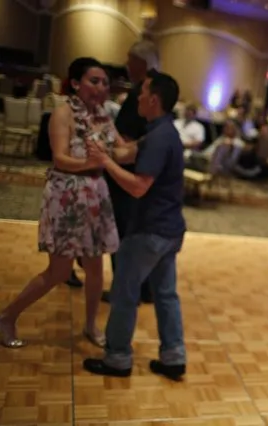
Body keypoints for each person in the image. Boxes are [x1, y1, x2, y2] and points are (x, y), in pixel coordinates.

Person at [0, 57, 130, 348]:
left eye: (105, 83)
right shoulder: (63, 113)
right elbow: (60, 158)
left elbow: (121, 151)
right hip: (68, 196)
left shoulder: (104, 117)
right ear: (75, 83)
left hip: (96, 197)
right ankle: (7, 316)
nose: (101, 88)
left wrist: (147, 145)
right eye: (94, 81)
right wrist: (93, 162)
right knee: (58, 272)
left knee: (96, 269)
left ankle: (91, 326)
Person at [82, 70, 187, 381]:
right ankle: (173, 357)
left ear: (153, 99)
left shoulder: (158, 137)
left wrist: (105, 163)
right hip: (169, 231)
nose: (137, 98)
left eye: (141, 94)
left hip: (149, 231)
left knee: (124, 293)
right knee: (166, 294)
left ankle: (117, 358)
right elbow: (126, 151)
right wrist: (104, 124)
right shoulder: (164, 131)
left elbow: (139, 186)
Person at [100, 39, 161, 304]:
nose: (126, 64)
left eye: (130, 59)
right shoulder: (154, 92)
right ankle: (141, 288)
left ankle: (126, 290)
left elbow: (125, 141)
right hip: (142, 176)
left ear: (142, 63)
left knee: (124, 237)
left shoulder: (141, 94)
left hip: (129, 177)